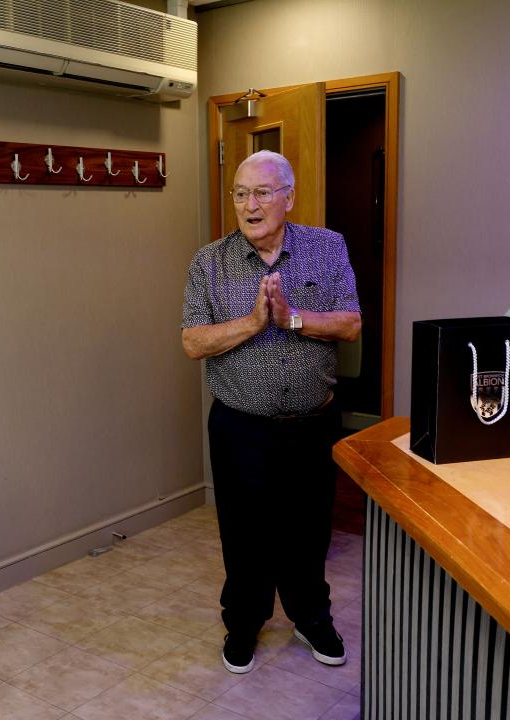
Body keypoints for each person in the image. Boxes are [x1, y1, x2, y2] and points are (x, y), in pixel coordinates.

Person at [181, 150, 361, 674]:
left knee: (308, 532)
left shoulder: (327, 249)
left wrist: (293, 318)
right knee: (243, 533)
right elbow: (192, 342)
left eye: (262, 192)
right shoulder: (209, 262)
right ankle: (243, 623)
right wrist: (255, 322)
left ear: (289, 196)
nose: (250, 204)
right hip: (240, 428)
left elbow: (350, 324)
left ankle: (311, 618)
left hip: (312, 425)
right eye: (240, 193)